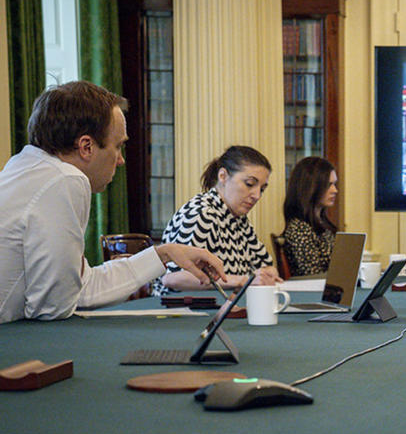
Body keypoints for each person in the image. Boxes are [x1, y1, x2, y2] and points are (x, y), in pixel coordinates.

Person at [0, 81, 225, 323]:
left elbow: (81, 288)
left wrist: (164, 254)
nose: (121, 160)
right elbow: (53, 307)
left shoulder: (24, 168)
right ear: (86, 146)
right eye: (118, 147)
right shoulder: (65, 179)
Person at [154, 145, 280, 294]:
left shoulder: (238, 218)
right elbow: (173, 278)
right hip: (177, 309)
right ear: (223, 176)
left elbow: (264, 265)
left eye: (262, 189)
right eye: (250, 184)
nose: (257, 195)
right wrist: (242, 280)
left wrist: (268, 274)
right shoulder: (202, 214)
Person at [281, 157, 338, 276]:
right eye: (328, 185)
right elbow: (313, 275)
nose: (335, 190)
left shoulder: (322, 224)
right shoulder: (299, 229)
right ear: (310, 187)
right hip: (314, 292)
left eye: (334, 184)